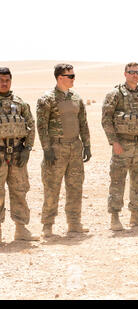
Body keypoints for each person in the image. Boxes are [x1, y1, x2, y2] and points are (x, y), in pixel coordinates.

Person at [102, 62, 138, 231]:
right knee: (118, 181)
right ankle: (115, 217)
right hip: (122, 144)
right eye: (132, 72)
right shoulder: (115, 94)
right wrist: (114, 142)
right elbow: (106, 119)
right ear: (125, 74)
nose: (135, 75)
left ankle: (136, 215)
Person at [36, 64, 91, 237]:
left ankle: (74, 223)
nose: (74, 79)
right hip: (56, 148)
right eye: (71, 76)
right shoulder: (47, 99)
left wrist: (87, 144)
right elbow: (41, 126)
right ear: (60, 78)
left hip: (75, 147)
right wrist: (47, 149)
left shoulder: (76, 97)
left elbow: (83, 122)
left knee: (75, 186)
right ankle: (47, 225)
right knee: (52, 187)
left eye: (74, 75)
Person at [0, 67, 39, 242]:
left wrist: (27, 149)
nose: (4, 83)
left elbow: (30, 126)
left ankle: (21, 229)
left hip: (16, 156)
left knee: (19, 191)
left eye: (7, 80)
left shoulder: (20, 103)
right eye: (1, 80)